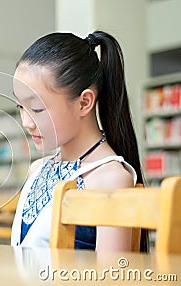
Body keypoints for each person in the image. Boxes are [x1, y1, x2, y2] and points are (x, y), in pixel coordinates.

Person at [10, 30, 148, 252]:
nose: (26, 122)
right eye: (20, 107)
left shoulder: (109, 179)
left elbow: (111, 278)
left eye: (37, 109)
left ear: (84, 102)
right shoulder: (37, 170)